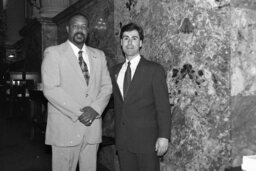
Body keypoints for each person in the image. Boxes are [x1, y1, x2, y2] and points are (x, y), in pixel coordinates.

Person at [41, 13, 112, 171]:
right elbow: (51, 89)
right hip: (65, 128)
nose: (79, 29)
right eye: (75, 26)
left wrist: (95, 109)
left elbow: (107, 87)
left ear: (88, 30)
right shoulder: (53, 53)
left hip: (92, 129)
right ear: (68, 29)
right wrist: (79, 113)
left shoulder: (98, 56)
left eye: (83, 26)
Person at [111, 23, 171, 171]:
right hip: (123, 141)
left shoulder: (154, 70)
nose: (129, 42)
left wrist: (164, 136)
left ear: (141, 43)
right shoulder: (114, 70)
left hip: (147, 142)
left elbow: (163, 107)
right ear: (121, 43)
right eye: (126, 38)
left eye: (134, 38)